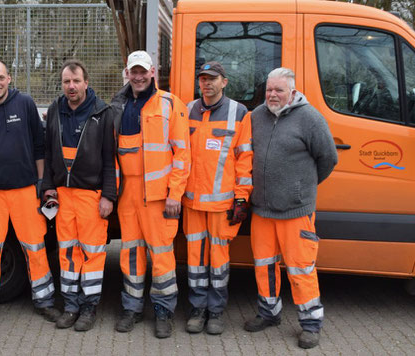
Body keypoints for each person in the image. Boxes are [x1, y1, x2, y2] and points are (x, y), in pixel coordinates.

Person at [245, 67, 338, 349]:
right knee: (264, 266)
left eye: (279, 90)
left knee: (300, 269)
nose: (272, 95)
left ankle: (310, 324)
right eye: (269, 90)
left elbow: (328, 159)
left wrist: (302, 188)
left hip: (295, 211)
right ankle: (269, 313)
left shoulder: (310, 118)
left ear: (292, 92)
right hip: (261, 209)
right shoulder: (256, 117)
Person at [0, 60, 59, 325]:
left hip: (26, 190)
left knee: (35, 247)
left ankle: (45, 300)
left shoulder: (25, 104)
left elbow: (39, 146)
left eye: (1, 78)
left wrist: (40, 183)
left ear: (10, 78)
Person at [112, 50, 190, 339]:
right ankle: (131, 308)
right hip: (127, 195)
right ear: (127, 73)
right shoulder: (118, 105)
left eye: (143, 71)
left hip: (159, 197)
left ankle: (163, 311)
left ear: (153, 72)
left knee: (161, 255)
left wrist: (175, 194)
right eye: (134, 71)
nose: (139, 76)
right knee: (130, 253)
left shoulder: (170, 104)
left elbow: (183, 153)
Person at [42, 59, 117, 331]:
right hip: (63, 195)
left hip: (91, 195)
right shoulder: (54, 110)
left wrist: (108, 195)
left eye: (76, 81)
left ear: (86, 83)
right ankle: (71, 306)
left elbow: (111, 158)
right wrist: (48, 186)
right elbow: (49, 154)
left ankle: (89, 307)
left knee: (93, 253)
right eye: (66, 82)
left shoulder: (102, 112)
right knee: (67, 253)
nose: (71, 87)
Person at [183, 62, 253, 335]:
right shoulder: (187, 110)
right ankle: (197, 310)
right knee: (195, 262)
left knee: (219, 263)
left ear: (224, 82)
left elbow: (245, 159)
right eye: (202, 78)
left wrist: (241, 199)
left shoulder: (239, 113)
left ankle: (215, 312)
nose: (206, 83)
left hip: (221, 206)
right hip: (191, 205)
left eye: (212, 79)